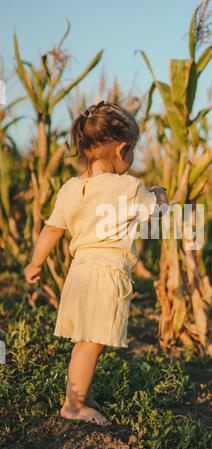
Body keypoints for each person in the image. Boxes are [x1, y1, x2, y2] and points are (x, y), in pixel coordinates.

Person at [24, 100, 168, 426]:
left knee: (85, 342)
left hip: (78, 274)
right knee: (91, 345)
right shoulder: (129, 188)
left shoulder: (71, 188)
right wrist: (160, 195)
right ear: (122, 150)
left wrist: (35, 263)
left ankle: (82, 394)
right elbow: (156, 215)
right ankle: (73, 406)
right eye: (133, 152)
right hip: (107, 276)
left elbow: (52, 228)